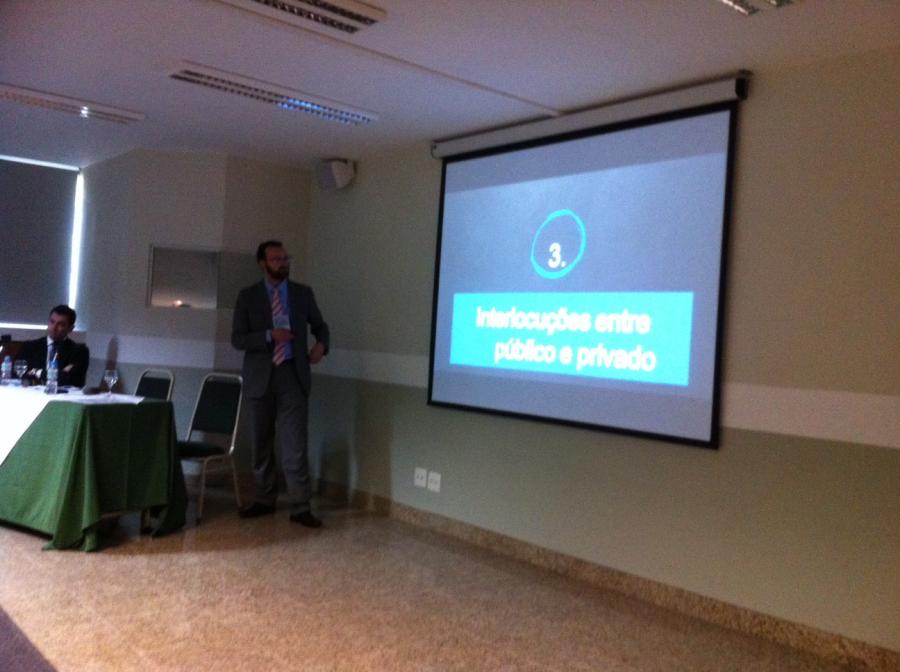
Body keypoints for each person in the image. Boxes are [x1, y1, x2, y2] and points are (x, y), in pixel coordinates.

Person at [232, 240, 330, 528]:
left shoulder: (302, 294)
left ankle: (300, 506)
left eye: (285, 258)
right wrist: (268, 336)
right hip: (260, 377)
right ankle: (264, 499)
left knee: (295, 444)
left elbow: (321, 326)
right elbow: (237, 339)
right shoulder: (247, 296)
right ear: (262, 263)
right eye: (276, 259)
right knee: (261, 443)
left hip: (292, 375)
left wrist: (321, 346)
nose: (283, 263)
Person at [19, 305, 90, 388]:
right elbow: (19, 372)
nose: (54, 327)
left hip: (63, 394)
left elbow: (70, 379)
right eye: (52, 322)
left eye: (61, 324)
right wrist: (59, 373)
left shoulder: (79, 351)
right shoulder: (30, 347)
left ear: (70, 328)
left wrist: (37, 372)